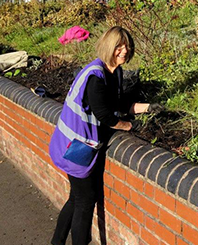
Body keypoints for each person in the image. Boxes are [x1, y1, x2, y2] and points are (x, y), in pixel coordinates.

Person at [49, 26, 151, 245]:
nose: (124, 51)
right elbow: (105, 114)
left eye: (127, 46)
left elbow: (117, 104)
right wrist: (127, 126)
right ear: (109, 47)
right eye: (119, 47)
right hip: (75, 148)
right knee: (85, 200)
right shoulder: (96, 76)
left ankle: (56, 242)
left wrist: (148, 108)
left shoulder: (112, 72)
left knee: (76, 197)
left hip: (74, 145)